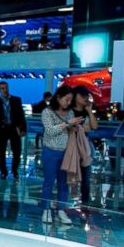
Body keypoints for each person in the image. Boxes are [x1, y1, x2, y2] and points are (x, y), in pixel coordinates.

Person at [41, 86, 80, 223]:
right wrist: (67, 124)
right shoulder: (47, 112)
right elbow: (50, 131)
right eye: (66, 99)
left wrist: (74, 126)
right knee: (49, 182)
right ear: (58, 97)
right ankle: (46, 209)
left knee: (64, 183)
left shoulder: (70, 113)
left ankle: (62, 210)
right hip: (50, 151)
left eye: (70, 100)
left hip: (66, 153)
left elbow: (71, 129)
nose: (68, 103)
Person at [0, 81, 27, 179]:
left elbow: (21, 115)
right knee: (1, 151)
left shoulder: (16, 100)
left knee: (17, 151)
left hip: (14, 129)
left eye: (6, 88)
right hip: (2, 129)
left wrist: (23, 129)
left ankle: (14, 170)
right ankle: (3, 171)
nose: (4, 90)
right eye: (2, 88)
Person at [69, 86, 98, 205]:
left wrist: (90, 112)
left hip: (84, 148)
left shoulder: (87, 111)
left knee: (85, 178)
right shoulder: (69, 111)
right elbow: (70, 127)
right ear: (75, 96)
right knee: (67, 176)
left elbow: (94, 126)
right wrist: (81, 127)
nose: (85, 98)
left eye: (86, 96)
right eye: (82, 96)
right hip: (70, 147)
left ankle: (85, 203)